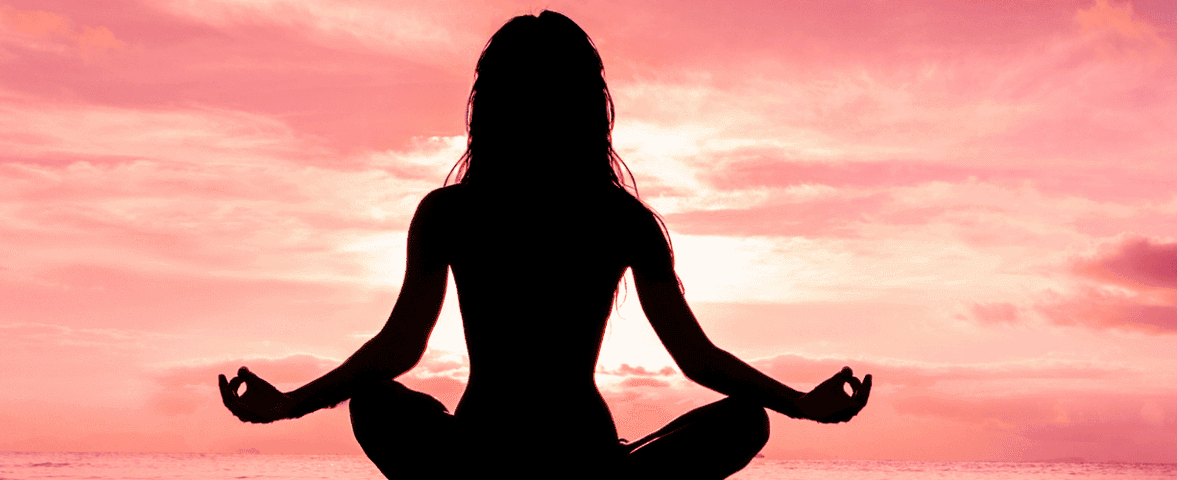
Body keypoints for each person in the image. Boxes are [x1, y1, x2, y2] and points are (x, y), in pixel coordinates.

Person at [215, 11, 871, 480]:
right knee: (745, 420)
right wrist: (799, 405)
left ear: (486, 107)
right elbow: (697, 359)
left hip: (486, 459)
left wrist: (291, 405)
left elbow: (398, 348)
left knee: (375, 404)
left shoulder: (466, 213)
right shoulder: (610, 217)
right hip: (577, 461)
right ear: (590, 108)